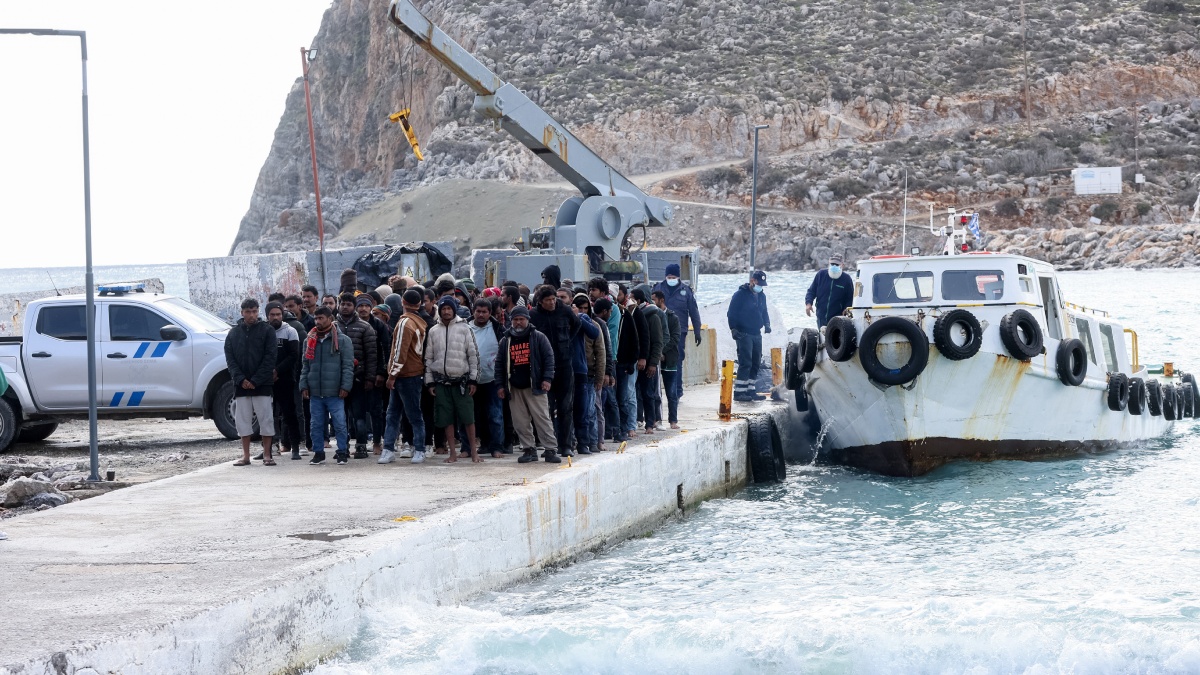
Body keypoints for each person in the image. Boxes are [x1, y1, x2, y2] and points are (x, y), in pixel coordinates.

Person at [495, 307, 559, 463]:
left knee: (542, 418)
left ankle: (550, 449)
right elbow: (499, 364)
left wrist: (547, 379)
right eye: (515, 319)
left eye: (521, 319)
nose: (518, 322)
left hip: (536, 386)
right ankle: (528, 449)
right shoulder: (506, 340)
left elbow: (549, 359)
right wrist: (500, 386)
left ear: (527, 320)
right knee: (520, 421)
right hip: (514, 387)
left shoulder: (538, 338)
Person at [425, 297, 482, 462]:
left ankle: (474, 452)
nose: (446, 311)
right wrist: (429, 382)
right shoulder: (434, 331)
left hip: (462, 382)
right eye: (443, 309)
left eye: (449, 308)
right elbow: (429, 358)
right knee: (446, 419)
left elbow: (473, 355)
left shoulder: (465, 328)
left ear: (454, 310)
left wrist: (473, 380)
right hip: (441, 382)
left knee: (468, 418)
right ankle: (452, 453)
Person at [224, 298, 278, 466]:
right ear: (242, 312)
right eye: (248, 312)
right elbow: (230, 359)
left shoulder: (267, 330)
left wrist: (255, 380)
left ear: (258, 311)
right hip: (241, 385)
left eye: (254, 311)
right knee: (243, 420)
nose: (251, 315)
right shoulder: (233, 333)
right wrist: (241, 379)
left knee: (266, 419)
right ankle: (246, 455)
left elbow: (270, 358)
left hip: (262, 384)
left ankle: (267, 454)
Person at [530, 285, 581, 457]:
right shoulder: (534, 316)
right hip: (544, 369)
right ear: (540, 301)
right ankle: (550, 446)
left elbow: (576, 325)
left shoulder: (565, 311)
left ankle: (566, 445)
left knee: (566, 407)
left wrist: (566, 343)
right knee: (547, 409)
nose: (552, 303)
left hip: (565, 366)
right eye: (548, 301)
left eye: (553, 299)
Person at [299, 306, 354, 464]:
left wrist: (345, 386)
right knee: (315, 424)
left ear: (330, 319)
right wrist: (304, 385)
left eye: (321, 318)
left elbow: (347, 366)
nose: (318, 322)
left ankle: (342, 451)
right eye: (316, 318)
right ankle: (318, 452)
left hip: (335, 392)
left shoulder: (343, 340)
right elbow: (305, 365)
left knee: (339, 423)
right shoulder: (309, 339)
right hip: (315, 391)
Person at [382, 289, 428, 464]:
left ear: (402, 302)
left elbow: (400, 351)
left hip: (404, 374)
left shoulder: (404, 323)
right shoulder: (419, 322)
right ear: (419, 304)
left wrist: (392, 375)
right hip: (414, 373)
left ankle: (414, 449)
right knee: (408, 414)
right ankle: (398, 448)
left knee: (398, 414)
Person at [653, 263, 702, 401]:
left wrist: (697, 331)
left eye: (673, 276)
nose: (671, 278)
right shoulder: (658, 288)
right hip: (659, 330)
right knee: (657, 359)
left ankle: (676, 391)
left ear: (678, 277)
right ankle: (658, 391)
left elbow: (694, 312)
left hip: (678, 332)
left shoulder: (686, 291)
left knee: (676, 360)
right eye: (669, 276)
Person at [337, 293, 378, 458]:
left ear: (353, 306)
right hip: (337, 380)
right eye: (343, 304)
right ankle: (343, 447)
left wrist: (370, 378)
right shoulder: (332, 326)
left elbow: (371, 355)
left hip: (358, 378)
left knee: (359, 415)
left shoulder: (364, 327)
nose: (345, 307)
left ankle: (361, 445)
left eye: (348, 304)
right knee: (340, 416)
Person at [469, 298, 505, 458]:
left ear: (490, 313)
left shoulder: (498, 329)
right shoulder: (465, 328)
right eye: (478, 311)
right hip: (471, 379)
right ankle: (472, 447)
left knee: (495, 415)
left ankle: (497, 447)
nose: (481, 315)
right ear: (473, 312)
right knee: (472, 416)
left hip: (493, 380)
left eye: (484, 312)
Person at [266, 302, 303, 459]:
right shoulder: (263, 332)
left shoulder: (290, 331)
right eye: (273, 315)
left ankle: (294, 447)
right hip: (266, 380)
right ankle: (269, 448)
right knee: (267, 415)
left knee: (289, 414)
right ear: (268, 315)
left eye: (278, 314)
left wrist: (277, 370)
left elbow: (294, 356)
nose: (276, 317)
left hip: (286, 379)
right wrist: (267, 372)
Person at [728, 270, 771, 402]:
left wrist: (767, 324)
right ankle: (739, 392)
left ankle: (750, 389)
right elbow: (731, 313)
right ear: (752, 281)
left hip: (756, 333)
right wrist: (733, 329)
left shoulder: (761, 296)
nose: (760, 287)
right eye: (759, 283)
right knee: (745, 362)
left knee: (755, 362)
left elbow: (764, 311)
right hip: (743, 333)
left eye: (762, 285)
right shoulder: (740, 295)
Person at [613, 284, 648, 441]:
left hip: (630, 359)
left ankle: (631, 425)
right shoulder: (614, 312)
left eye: (619, 295)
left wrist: (642, 357)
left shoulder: (633, 312)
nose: (617, 298)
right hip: (618, 360)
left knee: (629, 393)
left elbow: (643, 336)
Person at [570, 294, 603, 454]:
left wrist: (601, 374)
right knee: (561, 411)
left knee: (584, 410)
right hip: (560, 371)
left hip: (581, 370)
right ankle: (566, 443)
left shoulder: (582, 318)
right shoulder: (554, 317)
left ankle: (585, 443)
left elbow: (595, 334)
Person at [357, 297, 391, 455]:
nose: (363, 309)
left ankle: (377, 442)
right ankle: (360, 443)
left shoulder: (379, 326)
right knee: (358, 412)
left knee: (376, 410)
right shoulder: (352, 325)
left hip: (375, 375)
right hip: (357, 374)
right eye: (360, 306)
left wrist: (381, 372)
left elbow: (386, 350)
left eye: (366, 306)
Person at [633, 285, 664, 433]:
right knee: (634, 394)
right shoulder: (632, 315)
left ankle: (650, 423)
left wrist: (652, 363)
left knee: (648, 394)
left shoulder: (653, 317)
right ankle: (637, 420)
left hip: (648, 363)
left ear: (638, 300)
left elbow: (657, 342)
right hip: (634, 361)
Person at [652, 290, 682, 429]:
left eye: (654, 300)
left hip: (669, 359)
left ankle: (673, 420)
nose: (652, 303)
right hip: (656, 360)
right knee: (655, 392)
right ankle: (656, 419)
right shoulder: (652, 315)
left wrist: (661, 351)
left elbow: (675, 338)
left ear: (661, 300)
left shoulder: (672, 317)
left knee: (671, 392)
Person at [805, 253, 855, 328]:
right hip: (821, 316)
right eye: (832, 264)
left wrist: (846, 309)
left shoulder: (846, 279)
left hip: (838, 318)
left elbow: (850, 297)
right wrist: (808, 304)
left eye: (837, 265)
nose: (834, 266)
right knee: (822, 337)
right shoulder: (821, 275)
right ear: (829, 263)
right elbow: (811, 291)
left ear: (842, 265)